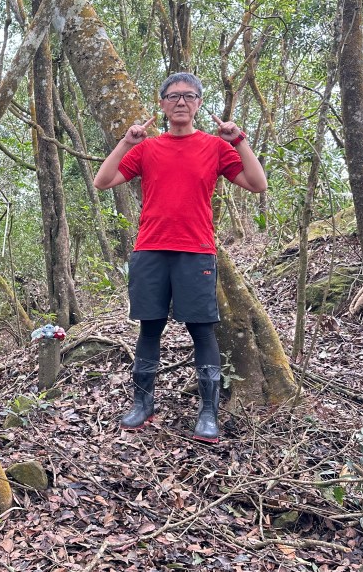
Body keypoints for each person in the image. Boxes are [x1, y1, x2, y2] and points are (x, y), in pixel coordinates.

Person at [93, 72, 266, 443]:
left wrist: (239, 140)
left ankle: (208, 412)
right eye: (173, 96)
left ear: (199, 103)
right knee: (150, 327)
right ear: (162, 104)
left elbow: (257, 184)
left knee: (201, 330)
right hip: (150, 249)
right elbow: (102, 181)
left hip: (196, 251)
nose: (181, 102)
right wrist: (125, 142)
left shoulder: (215, 147)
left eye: (189, 96)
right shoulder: (148, 149)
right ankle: (143, 403)